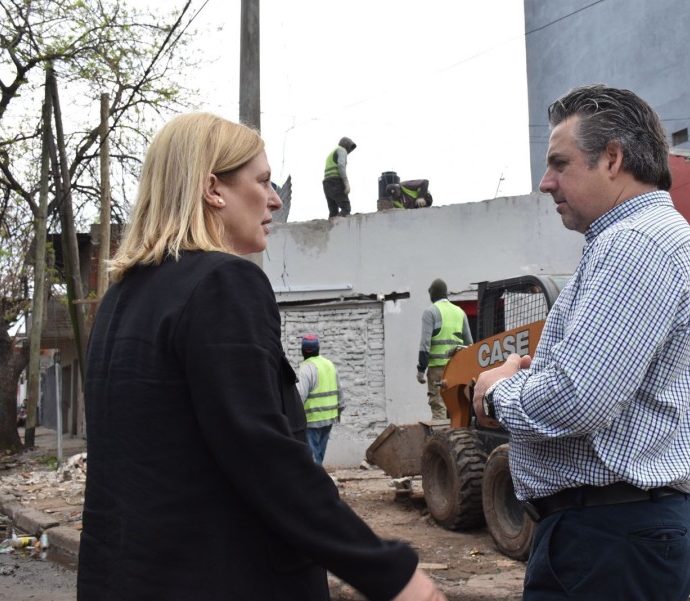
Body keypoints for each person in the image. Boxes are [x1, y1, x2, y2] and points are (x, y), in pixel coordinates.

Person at [78, 112, 445, 601]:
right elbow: (264, 455)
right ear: (213, 189)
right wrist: (387, 571)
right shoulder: (222, 283)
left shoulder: (121, 299)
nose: (274, 199)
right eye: (263, 181)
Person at [473, 84, 690, 600]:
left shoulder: (633, 243)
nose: (546, 184)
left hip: (608, 535)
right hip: (619, 531)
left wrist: (495, 393)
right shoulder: (643, 238)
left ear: (612, 158)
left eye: (559, 164)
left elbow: (577, 399)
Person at [416, 278, 472, 420]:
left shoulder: (430, 312)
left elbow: (425, 343)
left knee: (438, 406)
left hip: (437, 369)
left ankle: (441, 439)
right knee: (456, 407)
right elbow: (470, 344)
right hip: (456, 368)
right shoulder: (460, 312)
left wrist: (421, 369)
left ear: (432, 294)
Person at [296, 334, 344, 466]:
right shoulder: (329, 364)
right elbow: (340, 391)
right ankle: (318, 479)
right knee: (319, 454)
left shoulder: (306, 368)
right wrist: (339, 411)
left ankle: (315, 483)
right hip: (329, 417)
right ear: (318, 349)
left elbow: (300, 396)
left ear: (302, 351)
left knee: (313, 456)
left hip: (312, 419)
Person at [323, 136, 356, 218]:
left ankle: (331, 228)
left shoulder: (332, 153)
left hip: (327, 183)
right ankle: (339, 228)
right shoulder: (342, 150)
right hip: (335, 182)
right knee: (346, 208)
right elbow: (341, 165)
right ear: (346, 145)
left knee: (333, 212)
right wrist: (346, 182)